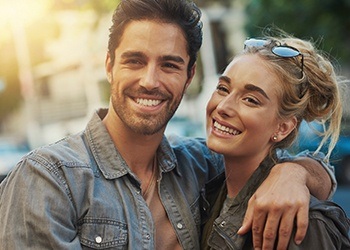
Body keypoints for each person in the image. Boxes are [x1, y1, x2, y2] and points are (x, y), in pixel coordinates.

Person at [0, 1, 336, 249]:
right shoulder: (47, 178)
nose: (150, 81)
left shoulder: (198, 165)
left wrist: (293, 173)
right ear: (109, 66)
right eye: (135, 61)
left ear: (189, 76)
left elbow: (281, 165)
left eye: (169, 65)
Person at [200, 34, 350, 249]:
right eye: (223, 89)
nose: (223, 107)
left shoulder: (302, 222)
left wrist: (295, 172)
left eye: (250, 100)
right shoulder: (206, 191)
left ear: (283, 127)